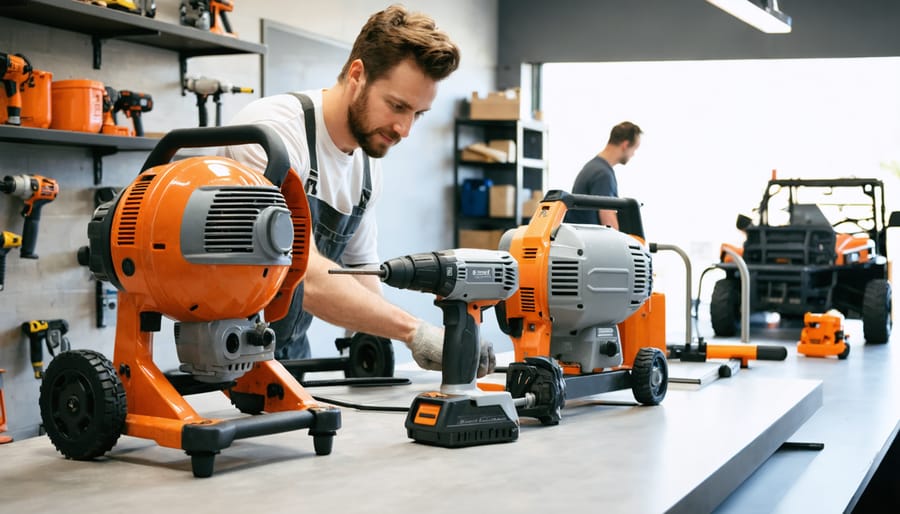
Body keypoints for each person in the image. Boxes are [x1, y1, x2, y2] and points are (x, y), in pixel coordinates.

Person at [223, 5, 495, 376]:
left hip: (289, 354)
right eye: (397, 106)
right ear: (357, 75)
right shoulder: (273, 134)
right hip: (224, 354)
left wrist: (382, 345)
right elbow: (299, 274)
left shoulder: (367, 168)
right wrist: (413, 332)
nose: (404, 129)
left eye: (417, 114)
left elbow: (361, 274)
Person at [564, 121, 642, 228]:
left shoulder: (592, 167)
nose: (633, 154)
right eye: (634, 149)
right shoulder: (603, 174)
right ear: (625, 145)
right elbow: (608, 219)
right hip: (591, 241)